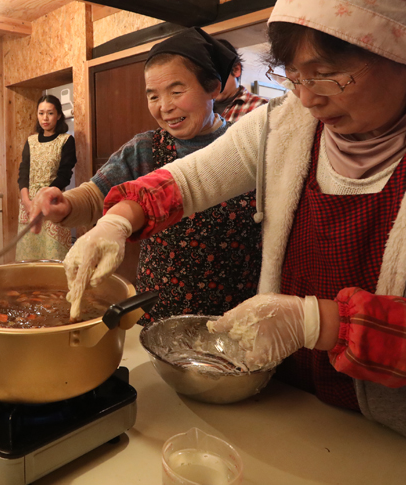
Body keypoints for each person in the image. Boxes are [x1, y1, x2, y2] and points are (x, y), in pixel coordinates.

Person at [64, 0, 406, 485]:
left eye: (331, 73)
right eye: (295, 74)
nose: (309, 96)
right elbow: (189, 177)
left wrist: (317, 321)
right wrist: (118, 221)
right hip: (291, 401)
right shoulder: (286, 124)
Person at [30, 30, 265, 322]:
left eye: (176, 92)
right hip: (160, 310)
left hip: (237, 312)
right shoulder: (146, 148)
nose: (164, 107)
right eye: (153, 96)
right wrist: (64, 204)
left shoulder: (245, 146)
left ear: (213, 88)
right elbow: (94, 194)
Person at [16, 94, 76, 261]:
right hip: (28, 204)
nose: (45, 118)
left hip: (53, 202)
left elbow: (65, 174)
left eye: (50, 113)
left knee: (54, 257)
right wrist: (26, 201)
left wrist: (47, 197)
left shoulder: (66, 141)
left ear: (58, 115)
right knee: (28, 258)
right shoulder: (31, 141)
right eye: (41, 113)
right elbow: (24, 172)